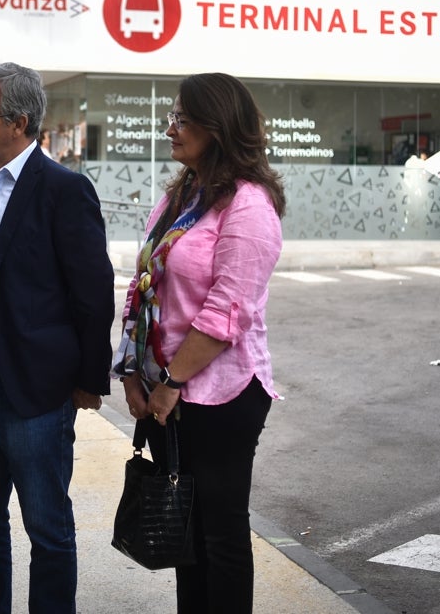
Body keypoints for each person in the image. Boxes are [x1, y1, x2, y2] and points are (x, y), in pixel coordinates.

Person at [0, 62, 115, 614]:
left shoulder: (64, 190)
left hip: (34, 395)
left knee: (47, 529)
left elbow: (92, 294)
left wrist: (88, 381)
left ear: (19, 121)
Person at [113, 72, 285, 614]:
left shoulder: (249, 206)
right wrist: (133, 373)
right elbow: (144, 285)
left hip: (221, 395)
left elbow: (225, 313)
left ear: (218, 127)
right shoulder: (181, 195)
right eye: (173, 116)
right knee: (186, 535)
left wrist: (170, 383)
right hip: (167, 391)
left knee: (221, 536)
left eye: (182, 119)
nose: (171, 128)